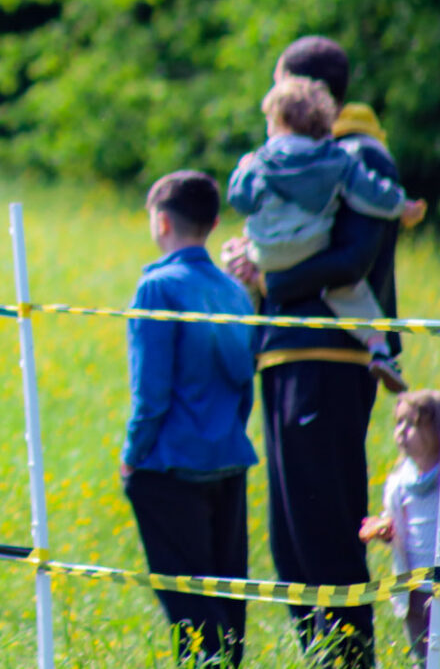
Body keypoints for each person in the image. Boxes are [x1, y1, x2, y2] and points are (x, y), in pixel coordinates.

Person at [222, 36, 410, 667]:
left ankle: (349, 660)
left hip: (330, 354)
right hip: (285, 350)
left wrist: (269, 277)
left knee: (323, 526)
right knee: (290, 534)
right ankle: (323, 658)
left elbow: (355, 255)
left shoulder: (358, 154)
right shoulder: (306, 157)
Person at [121, 170, 258, 667]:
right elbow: (245, 384)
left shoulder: (157, 288)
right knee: (226, 601)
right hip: (228, 461)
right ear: (215, 222)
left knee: (191, 611)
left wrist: (132, 459)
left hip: (171, 467)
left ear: (161, 222)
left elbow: (150, 393)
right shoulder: (235, 292)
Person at [226, 75, 424, 392]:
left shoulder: (260, 161)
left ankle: (243, 348)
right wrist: (404, 207)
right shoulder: (336, 159)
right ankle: (379, 349)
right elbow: (372, 194)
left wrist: (242, 169)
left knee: (240, 269)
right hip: (313, 247)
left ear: (278, 120)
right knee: (350, 292)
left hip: (264, 252)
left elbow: (240, 199)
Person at [360, 390, 440, 663]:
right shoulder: (398, 482)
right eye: (399, 423)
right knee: (422, 658)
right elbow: (396, 520)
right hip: (413, 592)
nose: (402, 431)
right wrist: (383, 527)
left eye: (413, 424)